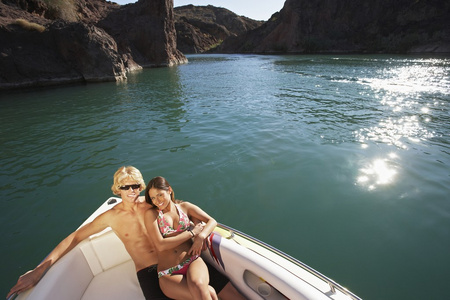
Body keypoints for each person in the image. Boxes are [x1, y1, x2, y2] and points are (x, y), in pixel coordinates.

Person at [7, 166, 243, 300]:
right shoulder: (111, 217)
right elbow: (75, 237)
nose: (131, 190)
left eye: (136, 186)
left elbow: (178, 206)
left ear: (142, 187)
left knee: (232, 295)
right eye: (125, 186)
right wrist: (39, 270)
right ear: (116, 189)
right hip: (151, 273)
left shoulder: (152, 204)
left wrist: (199, 229)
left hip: (183, 258)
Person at [144, 176, 221, 300]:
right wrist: (191, 233)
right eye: (153, 198)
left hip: (192, 261)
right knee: (208, 293)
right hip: (168, 273)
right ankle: (210, 291)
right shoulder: (152, 214)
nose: (157, 201)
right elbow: (160, 244)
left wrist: (200, 236)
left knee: (199, 286)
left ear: (169, 190)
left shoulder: (185, 207)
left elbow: (212, 221)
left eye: (160, 195)